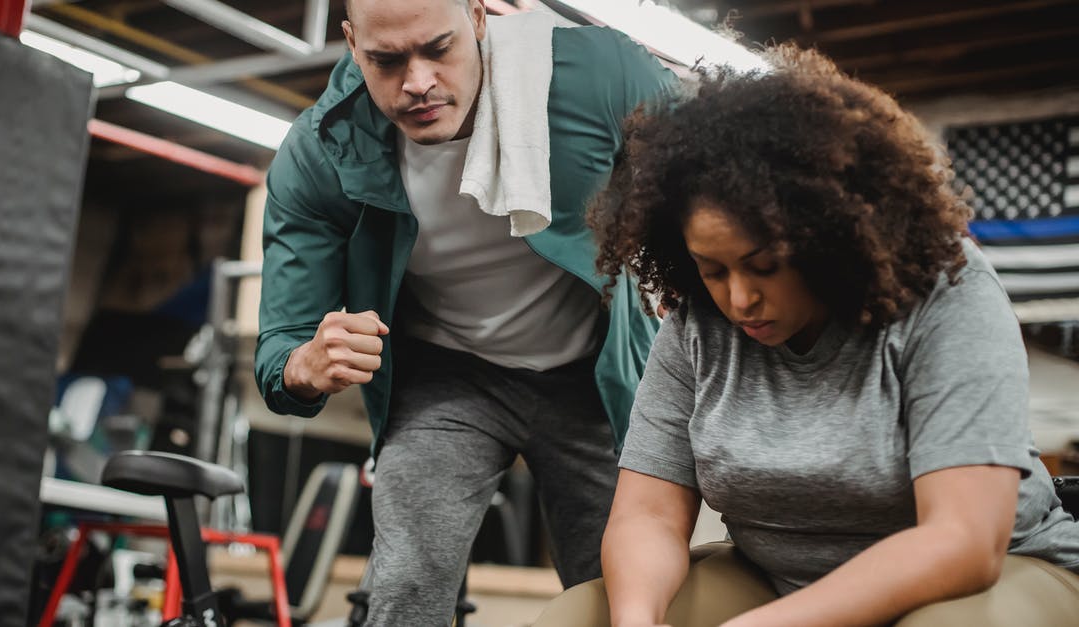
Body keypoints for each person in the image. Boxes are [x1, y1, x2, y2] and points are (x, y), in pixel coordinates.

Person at [533, 46, 1079, 627]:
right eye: (713, 270)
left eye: (764, 265)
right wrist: (636, 621)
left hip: (990, 577)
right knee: (577, 617)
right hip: (777, 580)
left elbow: (964, 540)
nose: (739, 298)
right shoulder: (698, 314)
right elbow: (650, 517)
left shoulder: (945, 287)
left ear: (828, 239)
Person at [253, 0, 682, 624]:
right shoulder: (322, 149)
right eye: (387, 59)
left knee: (621, 590)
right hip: (448, 378)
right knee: (407, 581)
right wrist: (304, 365)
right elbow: (280, 350)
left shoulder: (594, 73)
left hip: (595, 378)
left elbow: (719, 166)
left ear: (479, 17)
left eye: (438, 48)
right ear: (350, 43)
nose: (418, 81)